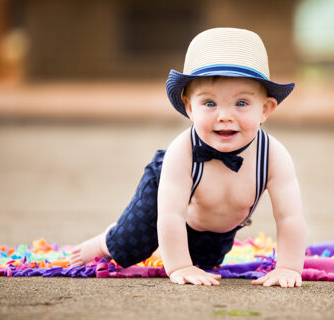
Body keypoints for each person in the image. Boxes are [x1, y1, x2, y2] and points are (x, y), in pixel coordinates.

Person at [69, 27, 306, 288]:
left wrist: (287, 267)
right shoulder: (181, 152)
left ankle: (176, 249)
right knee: (131, 243)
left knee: (206, 266)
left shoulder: (273, 155)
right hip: (170, 200)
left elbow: (289, 217)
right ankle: (105, 242)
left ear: (266, 109)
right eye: (209, 103)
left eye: (241, 103)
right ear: (190, 107)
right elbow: (171, 215)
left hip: (217, 229)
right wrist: (179, 266)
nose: (224, 116)